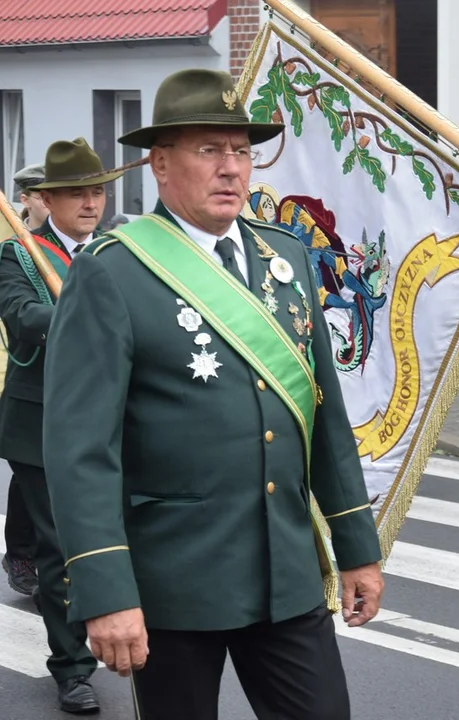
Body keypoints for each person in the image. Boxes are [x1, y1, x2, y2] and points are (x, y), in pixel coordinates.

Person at [41, 68, 384, 720]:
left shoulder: (285, 259)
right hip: (174, 583)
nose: (231, 169)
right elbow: (81, 450)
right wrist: (107, 591)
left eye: (241, 151)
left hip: (284, 577)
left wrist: (357, 549)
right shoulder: (114, 271)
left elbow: (326, 417)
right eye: (209, 150)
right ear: (161, 165)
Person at [0, 139, 122, 713]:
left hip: (116, 421)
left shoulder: (122, 252)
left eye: (97, 191)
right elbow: (25, 320)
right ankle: (72, 669)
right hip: (43, 424)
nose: (90, 203)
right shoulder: (20, 255)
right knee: (60, 552)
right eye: (77, 193)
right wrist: (89, 309)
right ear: (46, 199)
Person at [1, 162, 48, 598]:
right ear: (28, 200)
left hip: (86, 389)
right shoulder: (19, 252)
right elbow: (20, 314)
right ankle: (20, 553)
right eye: (44, 194)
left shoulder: (94, 248)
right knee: (33, 477)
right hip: (36, 389)